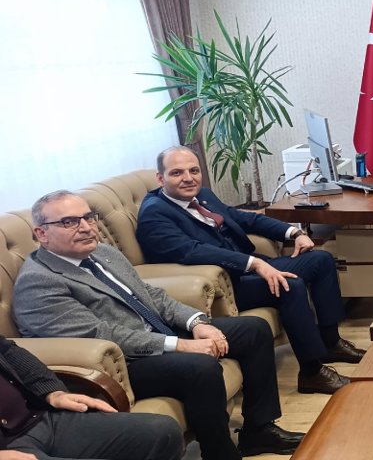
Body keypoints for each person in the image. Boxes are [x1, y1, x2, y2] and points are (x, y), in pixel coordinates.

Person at [13, 191, 304, 460]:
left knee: (253, 330)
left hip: (156, 332)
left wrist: (196, 322)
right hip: (122, 362)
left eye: (89, 217)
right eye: (69, 222)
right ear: (41, 234)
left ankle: (258, 431)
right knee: (200, 367)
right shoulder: (39, 282)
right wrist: (181, 345)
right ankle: (220, 454)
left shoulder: (102, 252)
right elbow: (100, 334)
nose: (87, 227)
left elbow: (150, 294)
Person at [136, 146, 363, 395]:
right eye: (177, 173)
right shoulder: (154, 214)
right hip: (224, 284)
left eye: (194, 171)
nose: (188, 178)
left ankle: (330, 342)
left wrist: (294, 232)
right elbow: (191, 251)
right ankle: (312, 373)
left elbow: (244, 218)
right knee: (289, 285)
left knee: (321, 260)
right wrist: (254, 263)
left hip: (245, 269)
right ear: (161, 179)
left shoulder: (202, 195)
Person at [0, 334, 183, 460]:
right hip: (7, 446)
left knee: (162, 431)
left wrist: (52, 391)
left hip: (37, 417)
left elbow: (8, 351)